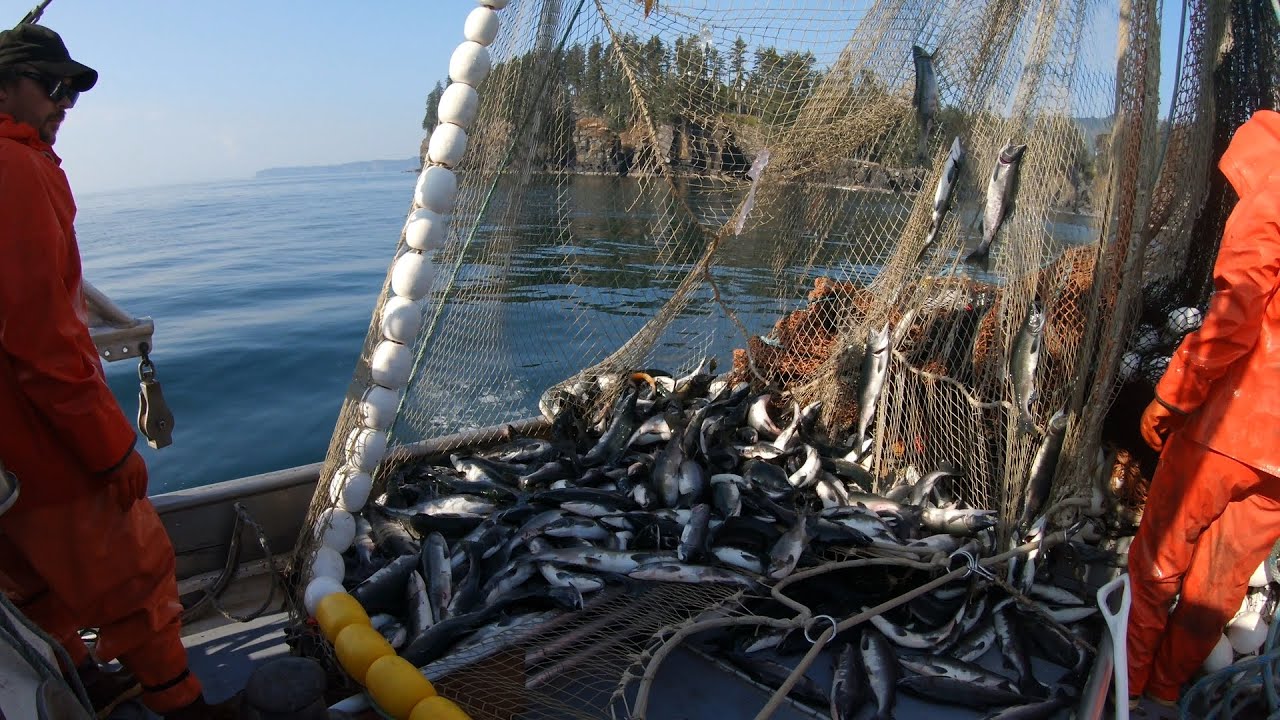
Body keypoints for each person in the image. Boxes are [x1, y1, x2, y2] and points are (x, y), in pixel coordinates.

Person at [0, 23, 238, 719]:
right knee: (134, 569)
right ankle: (179, 701)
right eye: (51, 85)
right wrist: (109, 451)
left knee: (24, 574)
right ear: (5, 85)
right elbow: (43, 340)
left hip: (6, 462)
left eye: (70, 89)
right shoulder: (15, 169)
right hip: (37, 441)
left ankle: (80, 672)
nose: (64, 102)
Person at [1128, 108, 1280, 711]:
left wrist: (1173, 394)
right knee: (1219, 585)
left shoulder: (1274, 189)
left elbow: (1237, 310)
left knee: (1157, 565)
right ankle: (1168, 693)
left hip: (1233, 425)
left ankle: (1130, 686)